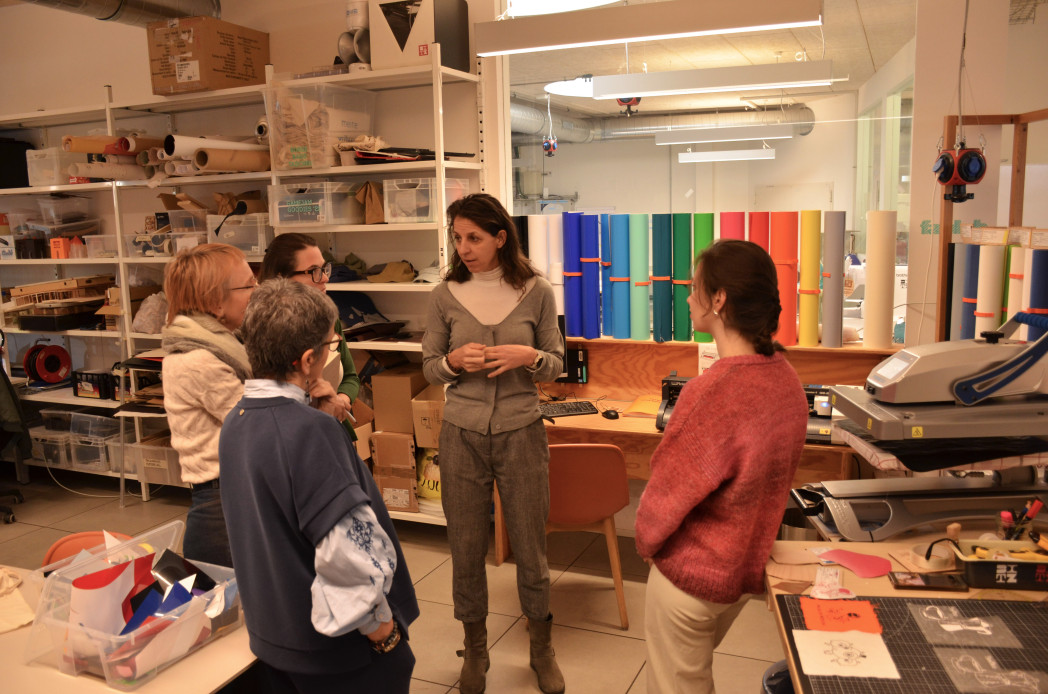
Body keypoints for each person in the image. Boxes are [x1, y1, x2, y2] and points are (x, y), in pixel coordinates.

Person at [220, 278, 419, 693]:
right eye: (329, 347)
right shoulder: (311, 433)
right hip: (339, 655)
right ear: (308, 359)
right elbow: (350, 555)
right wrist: (384, 633)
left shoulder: (236, 422)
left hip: (277, 636)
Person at [635, 239, 809, 694]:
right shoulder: (787, 380)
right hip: (739, 575)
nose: (689, 297)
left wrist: (649, 547)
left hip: (688, 585)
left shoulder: (712, 392)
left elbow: (663, 500)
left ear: (719, 299)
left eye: (696, 288)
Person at [421, 193, 566, 694]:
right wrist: (453, 363)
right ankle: (475, 651)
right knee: (465, 548)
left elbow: (557, 362)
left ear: (501, 237)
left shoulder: (537, 291)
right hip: (460, 434)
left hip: (521, 432)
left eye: (474, 238)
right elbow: (429, 365)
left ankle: (541, 649)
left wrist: (530, 355)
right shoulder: (444, 296)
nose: (463, 248)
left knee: (531, 548)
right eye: (457, 238)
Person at [162, 243, 255, 568]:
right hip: (222, 505)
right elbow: (253, 423)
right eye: (248, 286)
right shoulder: (198, 359)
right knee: (226, 610)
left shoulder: (224, 342)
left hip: (234, 493)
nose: (255, 293)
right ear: (216, 302)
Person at [259, 233, 360, 436]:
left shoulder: (328, 320)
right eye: (312, 271)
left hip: (332, 428)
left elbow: (350, 376)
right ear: (281, 279)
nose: (324, 277)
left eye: (323, 269)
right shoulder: (262, 334)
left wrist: (341, 399)